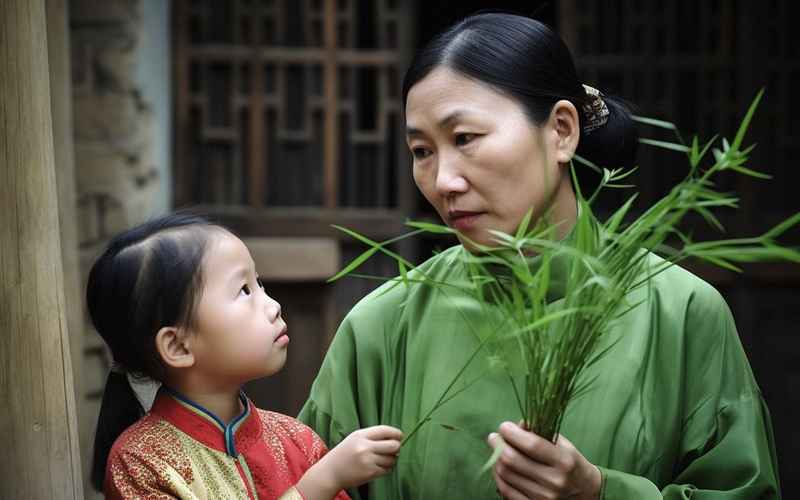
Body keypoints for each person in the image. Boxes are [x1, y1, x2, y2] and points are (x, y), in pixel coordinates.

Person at [298, 13, 781, 500]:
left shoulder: (681, 312)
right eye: (422, 151)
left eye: (464, 138)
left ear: (562, 131)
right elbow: (296, 484)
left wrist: (598, 492)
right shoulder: (381, 326)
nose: (443, 180)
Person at [88, 212, 403, 499]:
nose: (273, 305)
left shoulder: (297, 440)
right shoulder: (140, 462)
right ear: (178, 346)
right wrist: (319, 484)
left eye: (260, 284)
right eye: (244, 291)